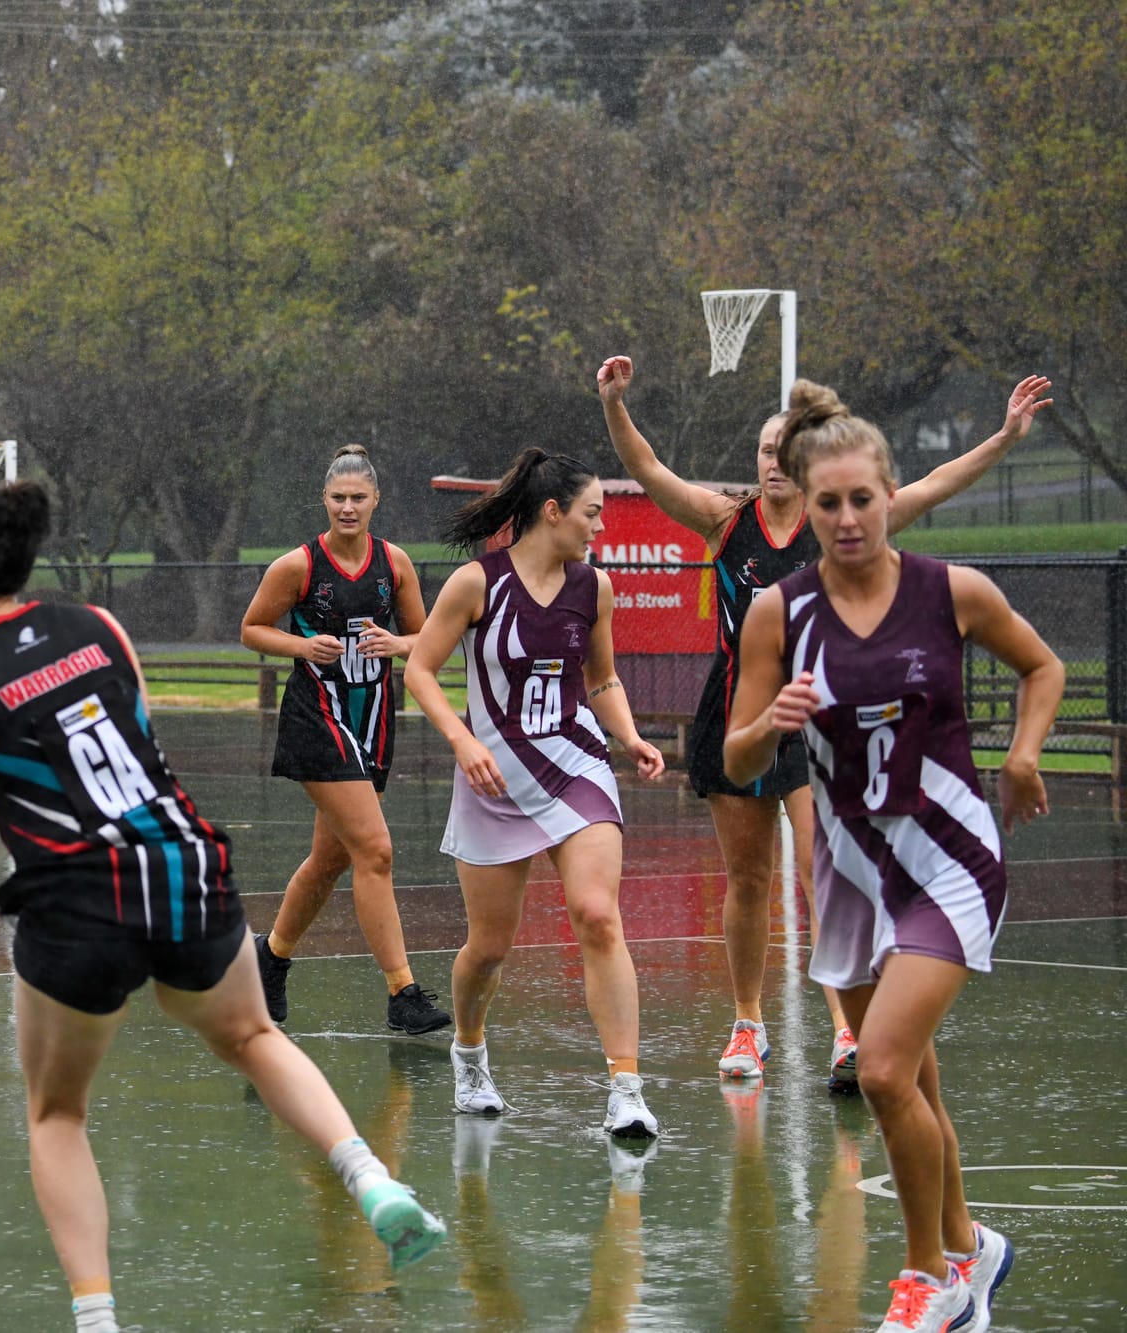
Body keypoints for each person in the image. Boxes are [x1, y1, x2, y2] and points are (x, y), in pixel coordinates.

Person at [0, 481, 447, 1333]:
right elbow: (131, 747)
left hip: (78, 896)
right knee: (256, 1037)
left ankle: (98, 1318)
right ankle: (374, 1182)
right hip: (183, 860)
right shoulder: (98, 626)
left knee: (56, 1113)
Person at [597, 357, 1053, 1089]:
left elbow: (932, 486)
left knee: (830, 870)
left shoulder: (836, 519)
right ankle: (748, 1023)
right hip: (743, 711)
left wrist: (1002, 437)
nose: (774, 462)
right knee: (747, 877)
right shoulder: (726, 519)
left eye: (786, 451)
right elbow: (648, 469)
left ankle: (848, 1028)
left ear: (805, 459)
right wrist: (616, 404)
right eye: (765, 452)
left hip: (824, 715)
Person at [725, 382, 1058, 1332]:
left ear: (888, 493)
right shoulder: (777, 614)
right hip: (853, 873)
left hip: (952, 860)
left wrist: (1025, 751)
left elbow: (1043, 667)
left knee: (879, 1071)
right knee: (910, 1080)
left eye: (861, 499)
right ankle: (973, 1245)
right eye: (825, 503)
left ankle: (931, 1276)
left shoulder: (950, 591)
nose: (844, 518)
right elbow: (740, 751)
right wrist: (770, 725)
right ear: (802, 503)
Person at [402, 449, 668, 1139]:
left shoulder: (593, 588)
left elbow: (601, 680)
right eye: (591, 515)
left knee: (597, 914)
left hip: (577, 764)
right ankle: (470, 1051)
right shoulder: (474, 584)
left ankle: (626, 1088)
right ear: (553, 512)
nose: (598, 529)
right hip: (494, 778)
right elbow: (422, 671)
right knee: (489, 946)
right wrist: (463, 740)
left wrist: (630, 736)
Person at [237, 444, 450, 1034]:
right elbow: (252, 629)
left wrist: (399, 645)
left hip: (371, 720)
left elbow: (426, 638)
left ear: (376, 500)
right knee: (376, 852)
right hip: (316, 718)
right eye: (338, 498)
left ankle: (271, 958)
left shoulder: (395, 563)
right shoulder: (298, 566)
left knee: (330, 860)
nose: (348, 507)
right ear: (324, 501)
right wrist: (302, 646)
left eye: (359, 498)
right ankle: (401, 991)